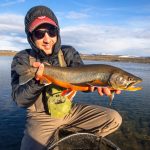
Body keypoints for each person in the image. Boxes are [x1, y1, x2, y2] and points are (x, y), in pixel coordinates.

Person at [11, 5, 122, 150]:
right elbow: (19, 100)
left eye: (51, 31)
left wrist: (101, 85)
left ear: (57, 33)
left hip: (68, 110)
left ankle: (69, 134)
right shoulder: (23, 58)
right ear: (30, 36)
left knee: (113, 119)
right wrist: (38, 81)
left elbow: (83, 79)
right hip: (41, 118)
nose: (47, 39)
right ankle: (58, 136)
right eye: (39, 33)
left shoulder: (68, 52)